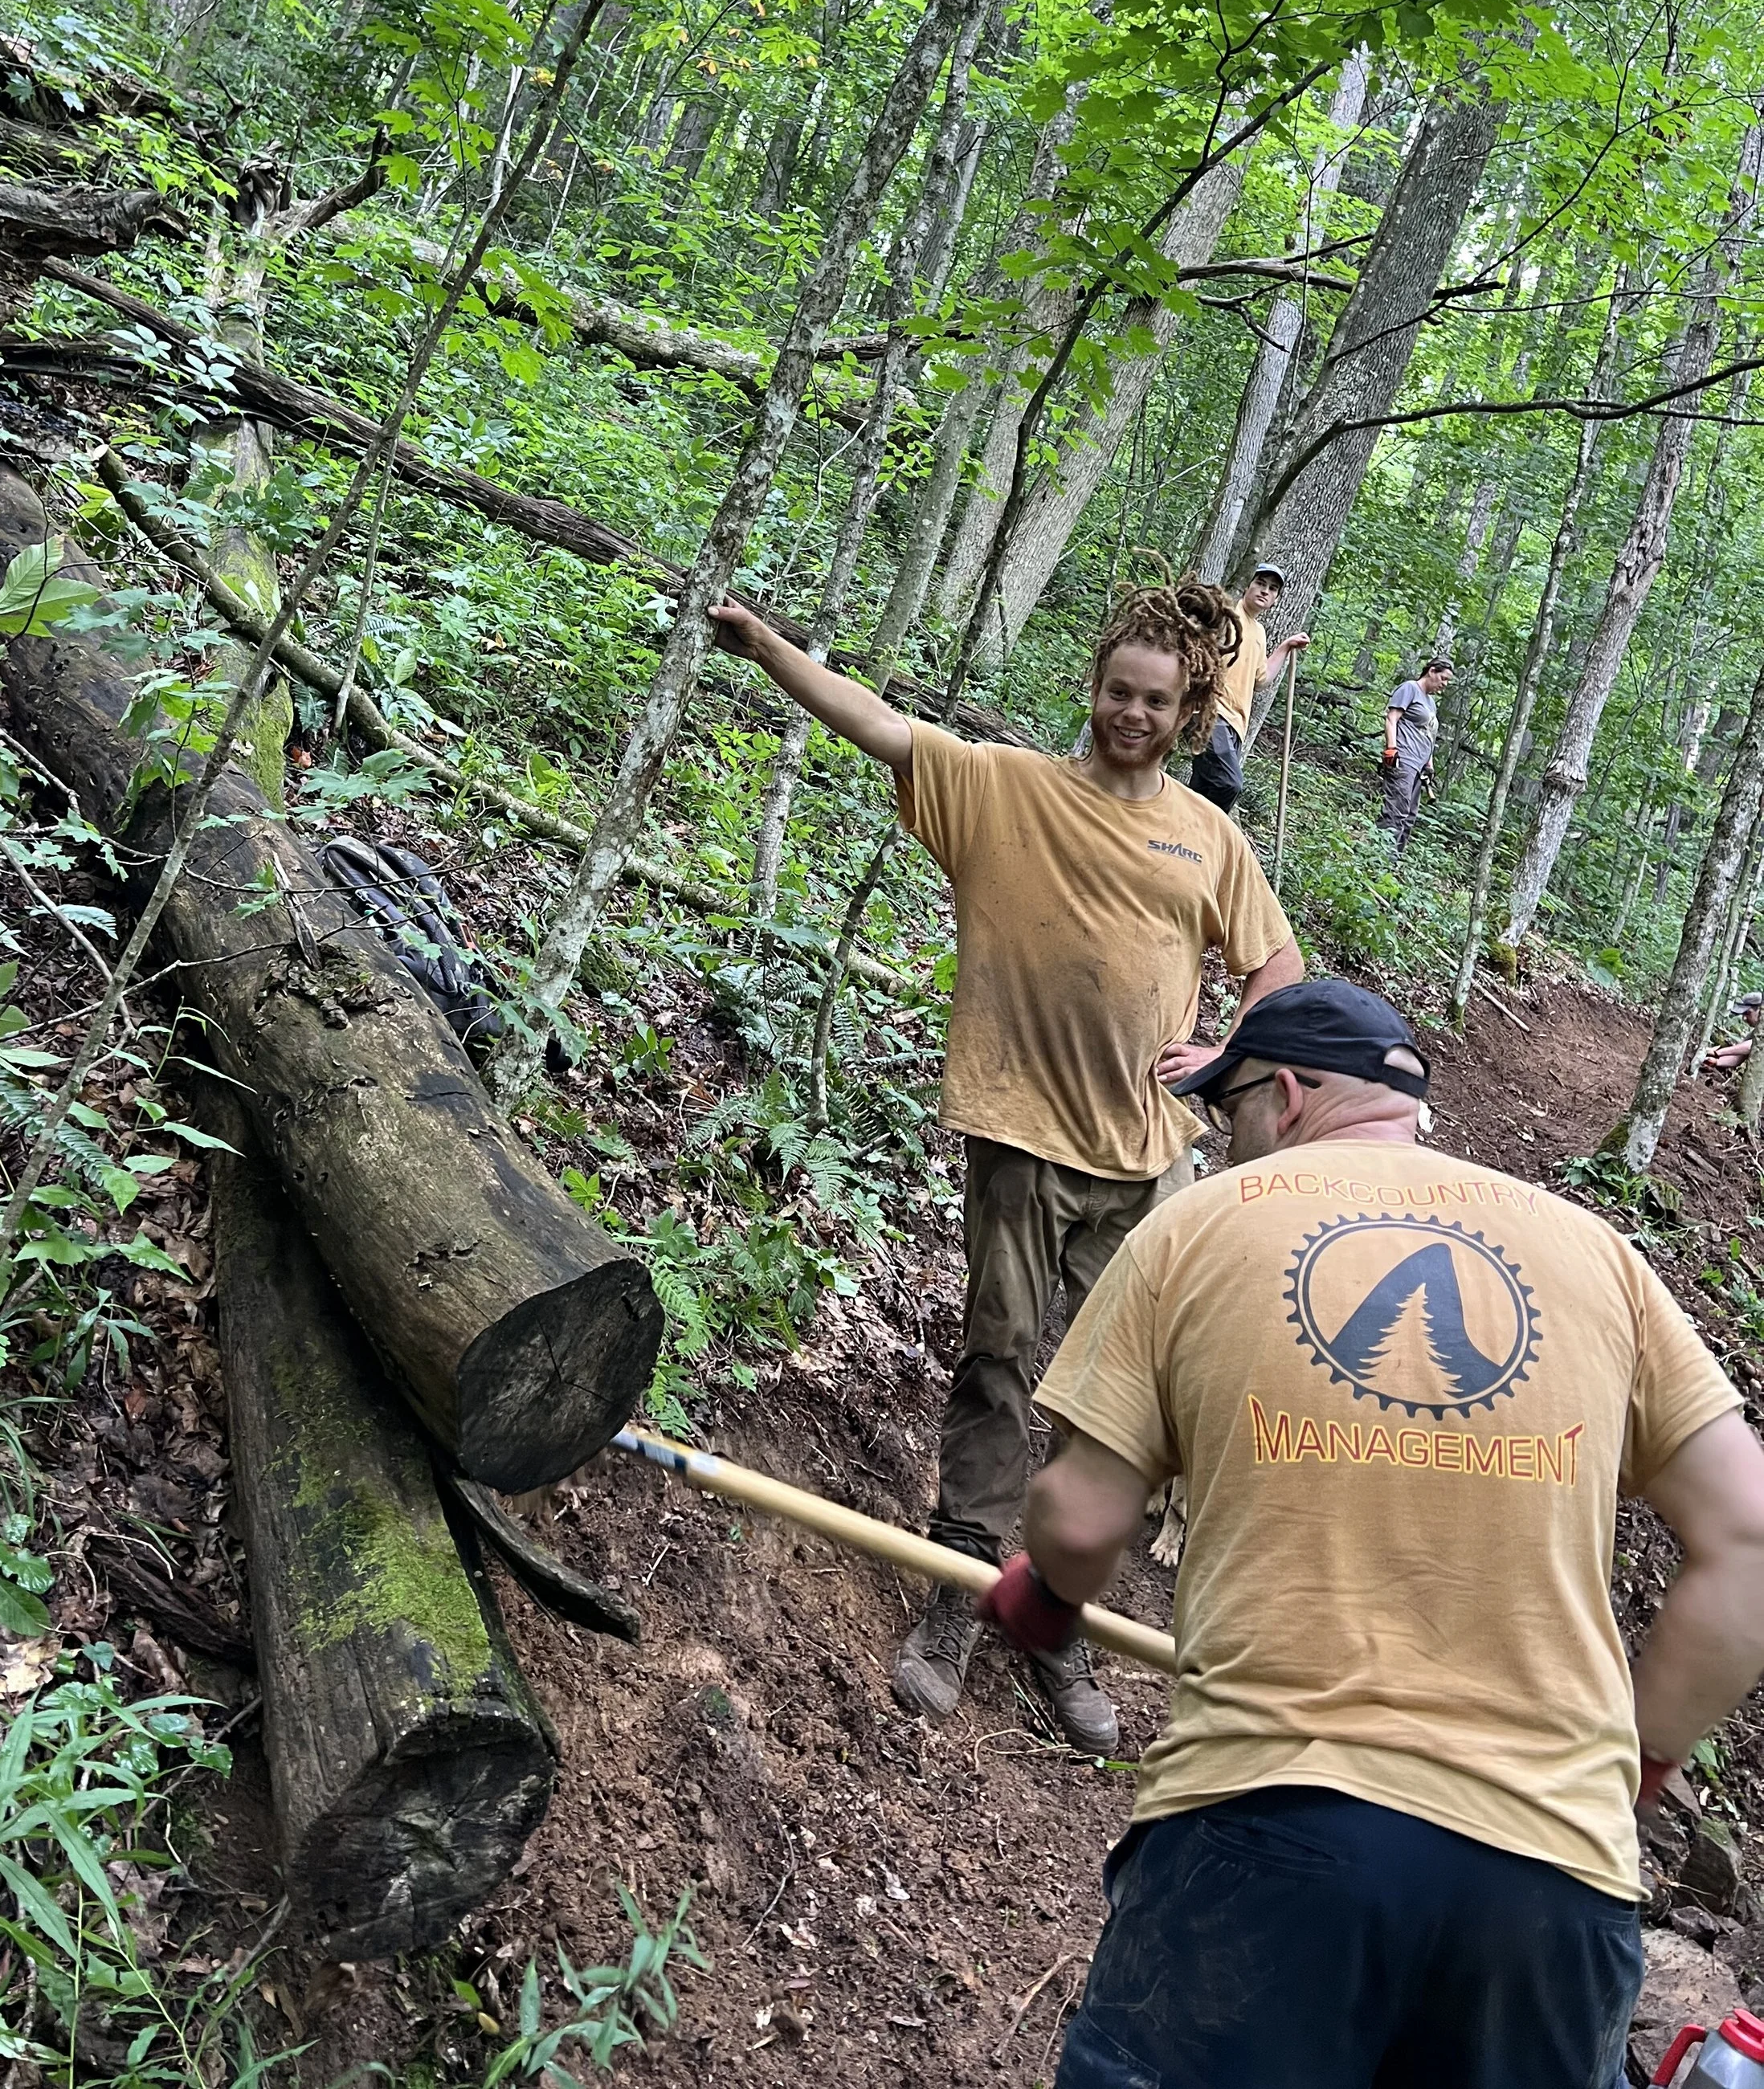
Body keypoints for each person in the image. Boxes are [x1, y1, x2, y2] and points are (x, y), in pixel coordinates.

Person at [972, 977, 1764, 2089]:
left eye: (1224, 1107)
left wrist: (1045, 1597)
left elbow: (1082, 1515)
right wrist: (1633, 1762)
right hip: (1550, 1887)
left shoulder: (1197, 1227)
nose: (1218, 1136)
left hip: (1270, 1834)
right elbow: (1749, 1539)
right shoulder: (1599, 1257)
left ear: (1284, 1097)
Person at [708, 577, 1303, 1753]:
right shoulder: (1002, 788)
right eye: (1115, 690)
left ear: (1188, 711)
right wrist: (766, 641)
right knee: (997, 1367)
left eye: (1155, 700)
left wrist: (1231, 1045)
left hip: (1143, 1164)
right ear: (1092, 688)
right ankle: (954, 1591)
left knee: (1118, 1408)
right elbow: (874, 722)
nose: (1129, 713)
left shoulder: (1209, 837)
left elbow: (1275, 965)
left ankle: (1053, 1615)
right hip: (1023, 1143)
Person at [1186, 562, 1309, 814]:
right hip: (1211, 712)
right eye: (1261, 584)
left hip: (1235, 724)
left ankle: (1180, 837)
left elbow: (1261, 680)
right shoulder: (1226, 614)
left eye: (1272, 589)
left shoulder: (1260, 632)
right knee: (1230, 783)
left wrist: (1285, 647)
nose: (1265, 591)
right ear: (1248, 586)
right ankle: (1208, 837)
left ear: (1275, 599)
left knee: (1201, 790)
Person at [1381, 654, 1452, 849]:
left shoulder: (1431, 703)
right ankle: (1381, 856)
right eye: (1443, 678)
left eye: (1448, 681)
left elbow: (1428, 734)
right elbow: (1392, 718)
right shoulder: (1410, 688)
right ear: (1431, 671)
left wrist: (1429, 765)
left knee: (1410, 816)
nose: (1445, 684)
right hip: (1403, 759)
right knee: (1397, 809)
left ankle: (1394, 862)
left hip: (1419, 767)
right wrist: (1391, 749)